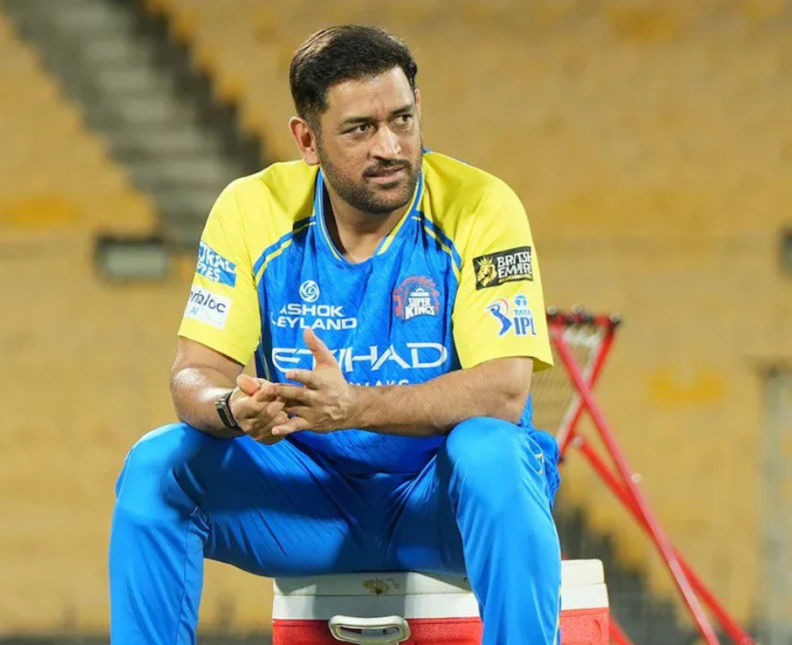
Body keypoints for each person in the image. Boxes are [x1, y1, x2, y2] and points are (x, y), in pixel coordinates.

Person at [109, 25, 562, 645]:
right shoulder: (252, 209)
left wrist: (353, 407)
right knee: (157, 464)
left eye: (402, 119)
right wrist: (232, 408)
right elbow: (193, 373)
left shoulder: (482, 205)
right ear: (308, 139)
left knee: (492, 450)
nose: (390, 147)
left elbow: (505, 393)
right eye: (360, 129)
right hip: (311, 505)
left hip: (443, 506)